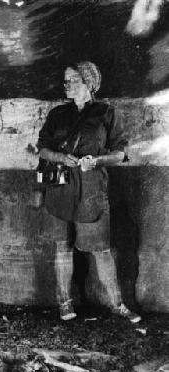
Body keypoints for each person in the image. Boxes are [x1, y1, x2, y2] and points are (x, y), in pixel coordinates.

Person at [36, 61, 141, 323]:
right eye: (66, 80)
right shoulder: (57, 114)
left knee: (102, 249)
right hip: (60, 186)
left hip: (92, 188)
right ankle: (64, 302)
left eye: (73, 80)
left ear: (89, 83)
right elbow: (42, 149)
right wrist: (62, 157)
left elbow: (121, 153)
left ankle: (117, 304)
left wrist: (97, 161)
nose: (67, 85)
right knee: (63, 246)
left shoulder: (106, 113)